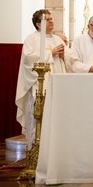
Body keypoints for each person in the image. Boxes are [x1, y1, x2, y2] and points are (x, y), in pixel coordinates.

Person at [15, 9, 74, 150]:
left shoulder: (57, 39)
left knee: (56, 118)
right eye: (47, 19)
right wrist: (50, 53)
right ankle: (36, 151)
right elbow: (29, 59)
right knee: (39, 117)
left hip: (57, 82)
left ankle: (54, 150)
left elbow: (70, 56)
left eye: (52, 19)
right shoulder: (31, 39)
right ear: (38, 24)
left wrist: (63, 55)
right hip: (39, 84)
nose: (51, 21)